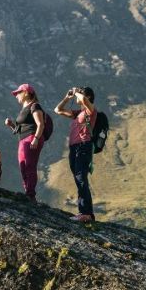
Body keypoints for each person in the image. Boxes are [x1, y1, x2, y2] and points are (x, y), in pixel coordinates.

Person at [55, 86, 98, 222]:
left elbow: (84, 99)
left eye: (82, 94)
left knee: (81, 178)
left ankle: (87, 213)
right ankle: (83, 212)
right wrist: (68, 97)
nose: (78, 95)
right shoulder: (77, 113)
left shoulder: (91, 111)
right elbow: (58, 110)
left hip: (84, 146)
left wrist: (78, 93)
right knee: (78, 179)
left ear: (89, 97)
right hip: (74, 148)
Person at [4, 83, 50, 200]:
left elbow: (40, 124)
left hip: (31, 138)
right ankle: (28, 192)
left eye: (18, 93)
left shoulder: (34, 106)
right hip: (23, 140)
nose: (16, 96)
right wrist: (11, 125)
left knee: (30, 166)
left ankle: (30, 194)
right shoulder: (24, 109)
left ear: (25, 92)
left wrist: (36, 139)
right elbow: (19, 130)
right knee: (23, 167)